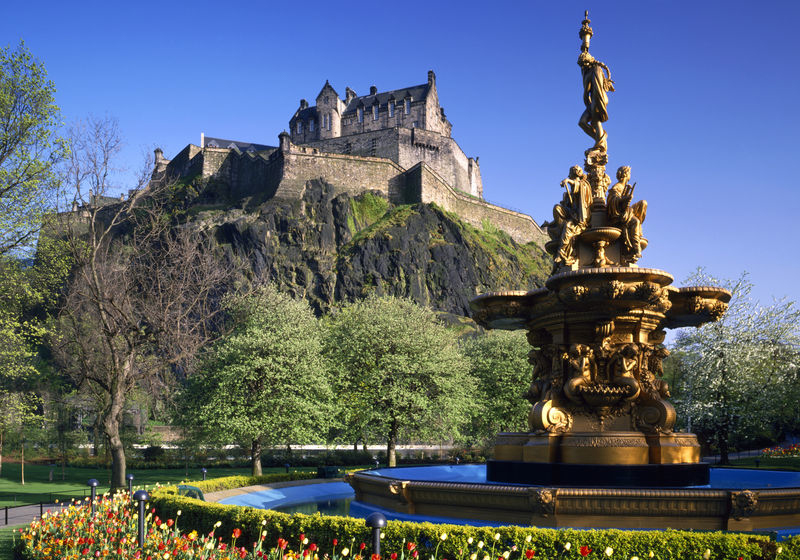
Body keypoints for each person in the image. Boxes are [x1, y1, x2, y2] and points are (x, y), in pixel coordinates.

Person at [607, 166, 647, 262]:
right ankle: (636, 246)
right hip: (619, 214)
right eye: (629, 173)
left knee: (643, 203)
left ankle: (637, 232)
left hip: (627, 211)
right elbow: (612, 201)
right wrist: (624, 199)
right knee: (635, 221)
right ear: (625, 174)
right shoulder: (617, 187)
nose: (629, 175)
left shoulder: (625, 186)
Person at [578, 51, 614, 151]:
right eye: (582, 65)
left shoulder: (596, 69)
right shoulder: (587, 70)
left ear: (588, 62)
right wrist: (585, 43)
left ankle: (600, 145)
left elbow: (597, 87)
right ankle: (600, 139)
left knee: (596, 120)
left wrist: (599, 104)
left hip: (598, 98)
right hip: (593, 99)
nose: (583, 66)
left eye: (584, 64)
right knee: (582, 122)